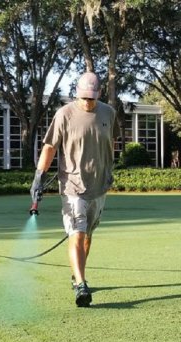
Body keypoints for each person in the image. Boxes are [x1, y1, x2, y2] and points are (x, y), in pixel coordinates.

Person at [30, 72, 117, 307]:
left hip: (99, 187)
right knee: (77, 233)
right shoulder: (64, 115)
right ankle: (81, 284)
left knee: (88, 235)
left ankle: (77, 274)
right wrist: (39, 177)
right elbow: (49, 147)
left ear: (98, 93)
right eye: (84, 97)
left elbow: (111, 142)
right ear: (77, 93)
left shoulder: (109, 113)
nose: (88, 101)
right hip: (72, 186)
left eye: (92, 97)